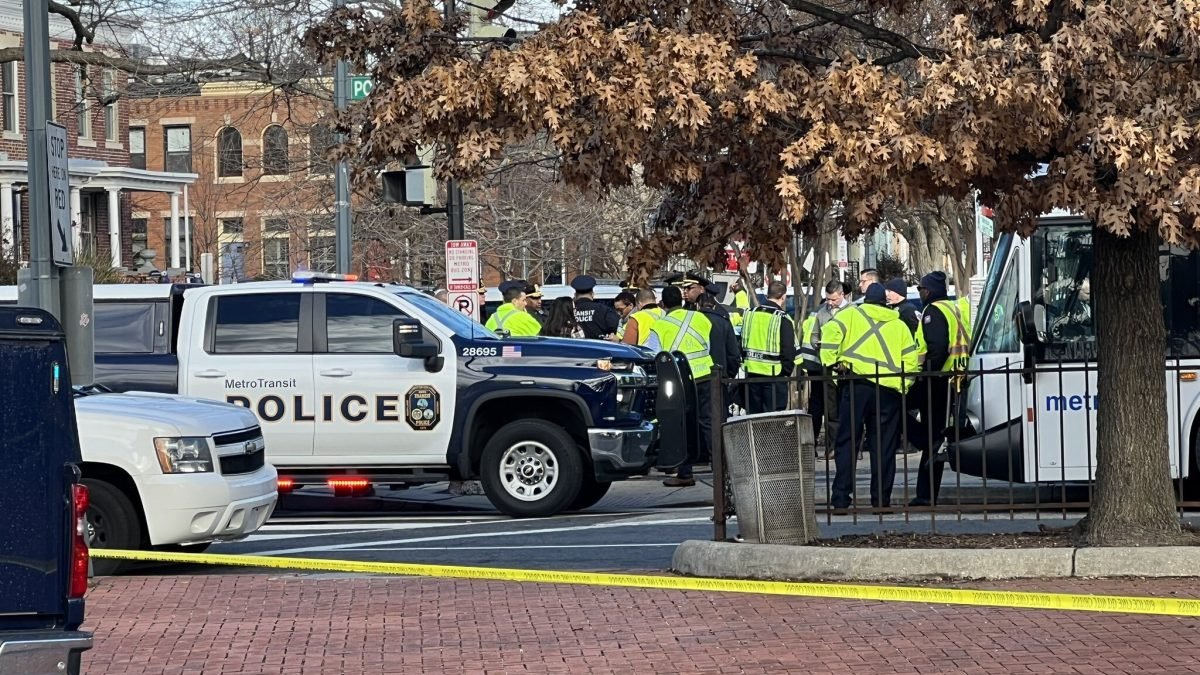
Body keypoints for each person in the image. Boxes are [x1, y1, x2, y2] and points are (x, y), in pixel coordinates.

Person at [822, 283, 919, 510]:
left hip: (856, 385)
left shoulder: (850, 316)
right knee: (884, 447)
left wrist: (834, 364)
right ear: (885, 302)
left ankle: (840, 499)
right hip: (888, 392)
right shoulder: (899, 325)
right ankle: (881, 501)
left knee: (847, 442)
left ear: (865, 300)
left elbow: (829, 336)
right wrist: (902, 387)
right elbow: (911, 362)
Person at [908, 271, 972, 507]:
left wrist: (928, 374)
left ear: (930, 291)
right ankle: (926, 493)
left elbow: (938, 347)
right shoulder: (956, 307)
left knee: (905, 414)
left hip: (939, 381)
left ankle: (926, 492)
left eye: (921, 290)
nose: (920, 293)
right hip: (958, 378)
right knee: (934, 434)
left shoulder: (932, 311)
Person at [645, 285, 714, 487]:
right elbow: (707, 346)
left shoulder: (660, 325)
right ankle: (721, 468)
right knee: (708, 423)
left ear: (663, 304)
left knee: (683, 426)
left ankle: (685, 472)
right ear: (682, 301)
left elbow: (654, 354)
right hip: (706, 375)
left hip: (681, 380)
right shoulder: (701, 318)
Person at [804, 279, 851, 456]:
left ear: (842, 295)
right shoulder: (822, 313)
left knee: (841, 408)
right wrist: (818, 344)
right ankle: (831, 447)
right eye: (828, 299)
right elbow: (814, 335)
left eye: (833, 300)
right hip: (826, 364)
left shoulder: (852, 311)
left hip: (846, 365)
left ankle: (838, 446)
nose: (830, 303)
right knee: (828, 407)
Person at [740, 281, 796, 413]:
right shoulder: (782, 318)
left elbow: (742, 342)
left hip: (752, 374)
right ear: (783, 297)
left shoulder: (750, 314)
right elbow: (788, 349)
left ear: (766, 295)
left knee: (754, 416)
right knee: (772, 419)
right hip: (774, 376)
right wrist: (785, 372)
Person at [571, 274, 621, 339]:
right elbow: (617, 329)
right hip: (599, 348)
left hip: (573, 348)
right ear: (592, 294)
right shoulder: (603, 310)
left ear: (575, 295)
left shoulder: (568, 311)